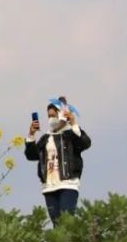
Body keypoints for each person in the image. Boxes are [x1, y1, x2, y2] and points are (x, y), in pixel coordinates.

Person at [24, 96, 92, 227]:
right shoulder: (45, 138)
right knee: (56, 224)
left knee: (66, 223)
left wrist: (73, 123)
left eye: (54, 115)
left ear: (62, 115)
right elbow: (31, 156)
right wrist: (31, 134)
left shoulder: (70, 135)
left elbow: (85, 143)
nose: (51, 119)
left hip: (68, 184)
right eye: (49, 116)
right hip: (49, 186)